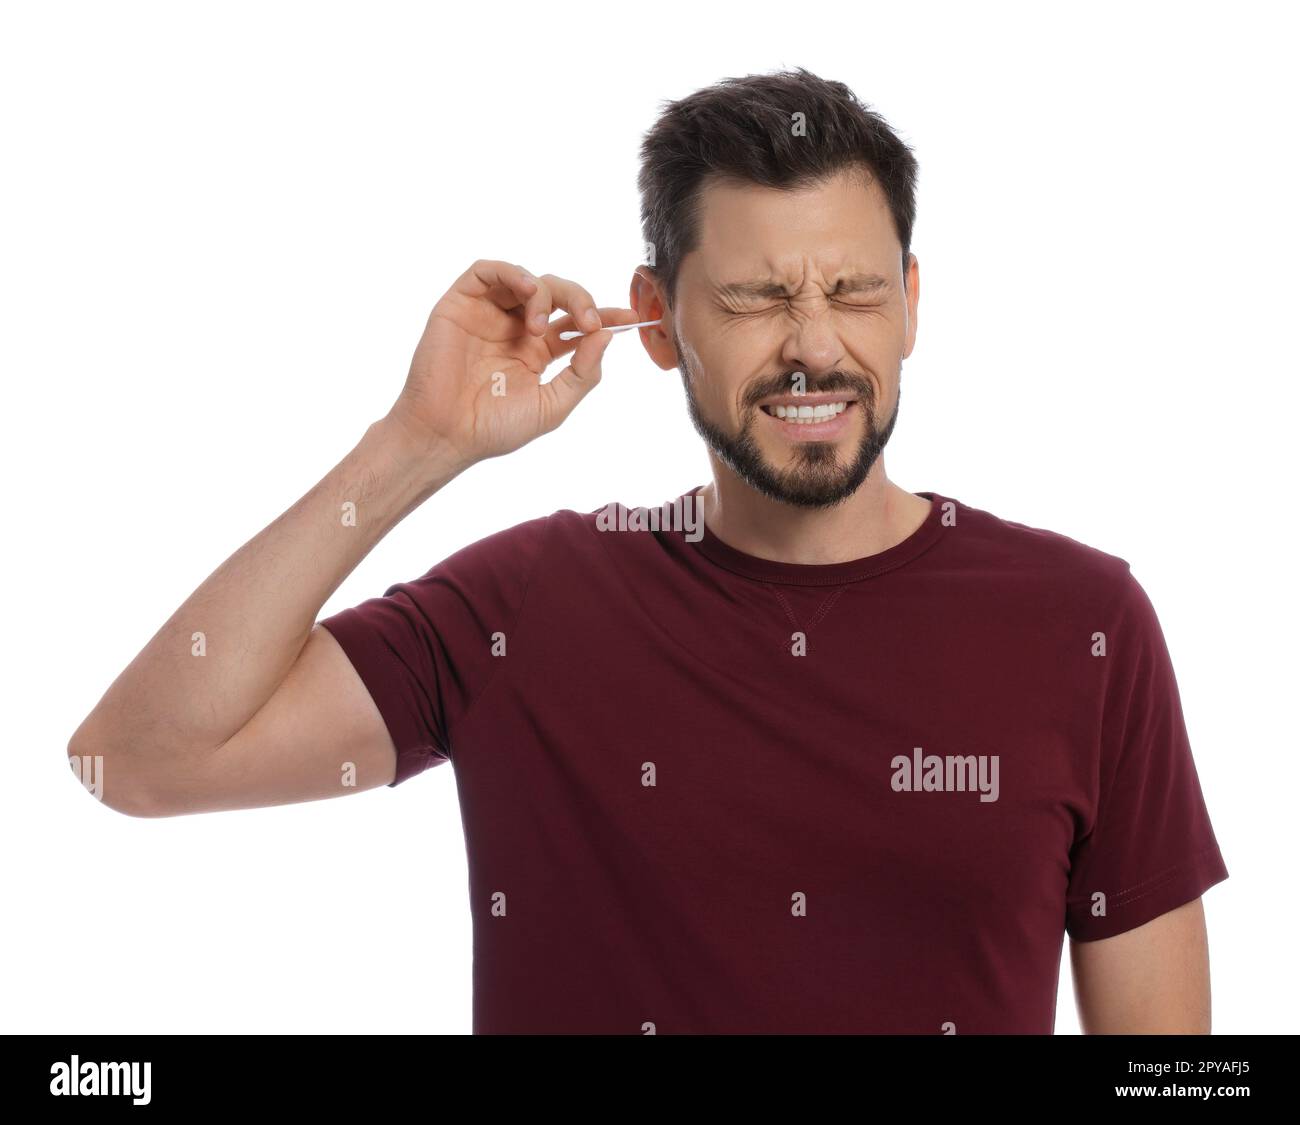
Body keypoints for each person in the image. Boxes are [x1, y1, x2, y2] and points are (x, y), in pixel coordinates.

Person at [67, 67, 1228, 1034]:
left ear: (912, 303)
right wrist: (416, 445)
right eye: (756, 299)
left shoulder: (1083, 623)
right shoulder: (524, 607)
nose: (814, 347)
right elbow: (139, 760)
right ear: (659, 321)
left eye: (857, 293)